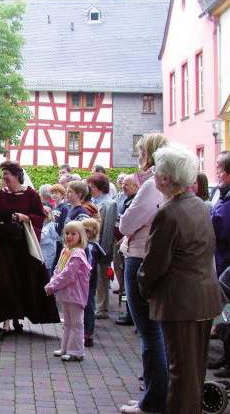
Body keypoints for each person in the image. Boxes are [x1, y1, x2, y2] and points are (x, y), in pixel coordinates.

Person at [139, 145, 224, 414]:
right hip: (203, 298)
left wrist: (144, 287)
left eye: (156, 171)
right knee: (193, 372)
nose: (153, 175)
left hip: (180, 302)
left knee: (181, 375)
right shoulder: (199, 204)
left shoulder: (169, 212)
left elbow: (154, 265)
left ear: (165, 178)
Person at [118, 132, 168, 414]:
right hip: (150, 256)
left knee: (149, 335)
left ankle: (152, 400)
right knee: (154, 333)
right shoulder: (166, 184)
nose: (138, 158)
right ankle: (154, 395)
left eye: (140, 152)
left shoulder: (151, 186)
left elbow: (126, 224)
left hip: (139, 257)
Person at [0, 161, 59, 337]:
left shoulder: (30, 195)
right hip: (4, 244)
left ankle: (18, 318)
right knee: (4, 281)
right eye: (3, 174)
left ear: (16, 175)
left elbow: (40, 216)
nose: (4, 177)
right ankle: (6, 322)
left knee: (22, 279)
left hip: (23, 245)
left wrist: (25, 217)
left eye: (7, 173)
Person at [45, 221, 91, 362]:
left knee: (76, 323)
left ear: (80, 236)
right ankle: (65, 347)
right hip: (66, 294)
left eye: (73, 233)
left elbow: (68, 274)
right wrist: (52, 282)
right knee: (67, 323)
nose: (69, 236)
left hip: (75, 294)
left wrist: (53, 285)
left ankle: (76, 351)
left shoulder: (77, 254)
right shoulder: (66, 250)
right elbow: (58, 269)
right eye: (67, 233)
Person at [209, 151, 230, 377]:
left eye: (219, 168)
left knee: (228, 313)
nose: (217, 172)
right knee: (225, 315)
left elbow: (221, 227)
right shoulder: (223, 195)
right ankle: (226, 356)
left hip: (226, 262)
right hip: (221, 261)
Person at [86, 173, 117, 320]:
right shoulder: (92, 201)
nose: (89, 188)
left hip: (101, 247)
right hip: (91, 246)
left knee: (102, 278)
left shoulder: (109, 203)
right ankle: (96, 306)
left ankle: (102, 308)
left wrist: (102, 250)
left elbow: (108, 229)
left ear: (99, 187)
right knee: (95, 278)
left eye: (91, 186)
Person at [115, 174, 139, 327]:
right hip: (125, 243)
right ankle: (130, 314)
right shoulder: (127, 199)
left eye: (127, 184)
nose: (124, 187)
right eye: (123, 184)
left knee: (131, 284)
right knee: (126, 280)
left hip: (131, 245)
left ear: (136, 186)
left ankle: (132, 316)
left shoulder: (135, 201)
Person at [81, 218, 103, 348]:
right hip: (85, 283)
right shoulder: (89, 246)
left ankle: (88, 334)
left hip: (88, 283)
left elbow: (90, 265)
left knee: (88, 307)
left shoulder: (91, 247)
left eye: (86, 231)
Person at [41, 207, 59, 277]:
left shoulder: (50, 226)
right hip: (44, 257)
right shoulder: (45, 225)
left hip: (47, 258)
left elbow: (41, 238)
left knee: (47, 276)